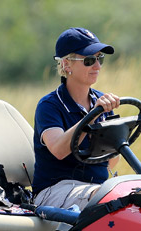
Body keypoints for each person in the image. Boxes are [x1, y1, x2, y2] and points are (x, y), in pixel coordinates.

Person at [32, 27, 121, 209]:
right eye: (89, 60)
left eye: (100, 59)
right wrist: (90, 118)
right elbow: (58, 150)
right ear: (66, 64)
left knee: (139, 193)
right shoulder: (49, 105)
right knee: (106, 198)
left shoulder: (101, 103)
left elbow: (110, 162)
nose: (97, 66)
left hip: (95, 188)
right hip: (53, 190)